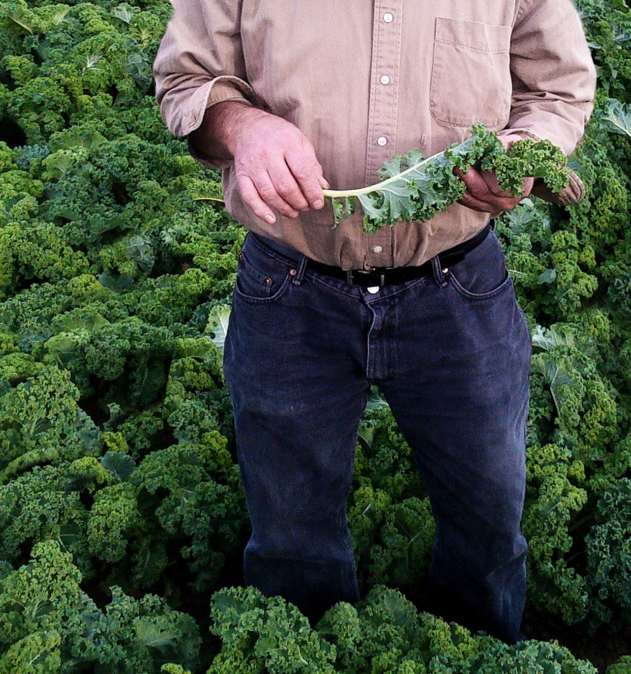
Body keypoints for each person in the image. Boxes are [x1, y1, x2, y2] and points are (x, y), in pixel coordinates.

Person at [152, 1, 595, 644]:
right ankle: (305, 648)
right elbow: (188, 82)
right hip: (291, 288)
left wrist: (525, 150)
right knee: (290, 532)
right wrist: (243, 127)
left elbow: (557, 88)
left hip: (456, 287)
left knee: (488, 518)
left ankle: (479, 651)